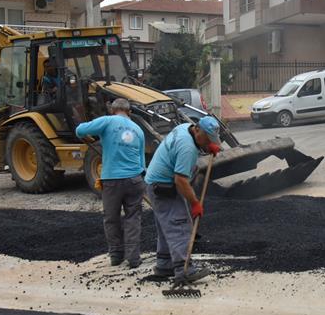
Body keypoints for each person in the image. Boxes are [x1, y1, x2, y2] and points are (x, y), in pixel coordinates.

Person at [144, 116, 222, 283]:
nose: (207, 142)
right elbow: (181, 180)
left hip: (156, 182)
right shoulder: (187, 147)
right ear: (198, 130)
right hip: (163, 187)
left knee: (167, 226)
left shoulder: (186, 127)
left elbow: (182, 167)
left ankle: (164, 265)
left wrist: (208, 148)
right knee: (179, 225)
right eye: (207, 139)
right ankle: (184, 270)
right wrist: (195, 203)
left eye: (211, 140)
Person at [75, 98, 146, 268]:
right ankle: (133, 258)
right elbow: (142, 162)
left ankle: (116, 256)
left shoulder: (107, 121)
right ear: (129, 112)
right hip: (135, 180)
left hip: (112, 180)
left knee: (111, 219)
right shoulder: (138, 130)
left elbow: (79, 130)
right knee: (133, 219)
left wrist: (91, 134)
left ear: (113, 110)